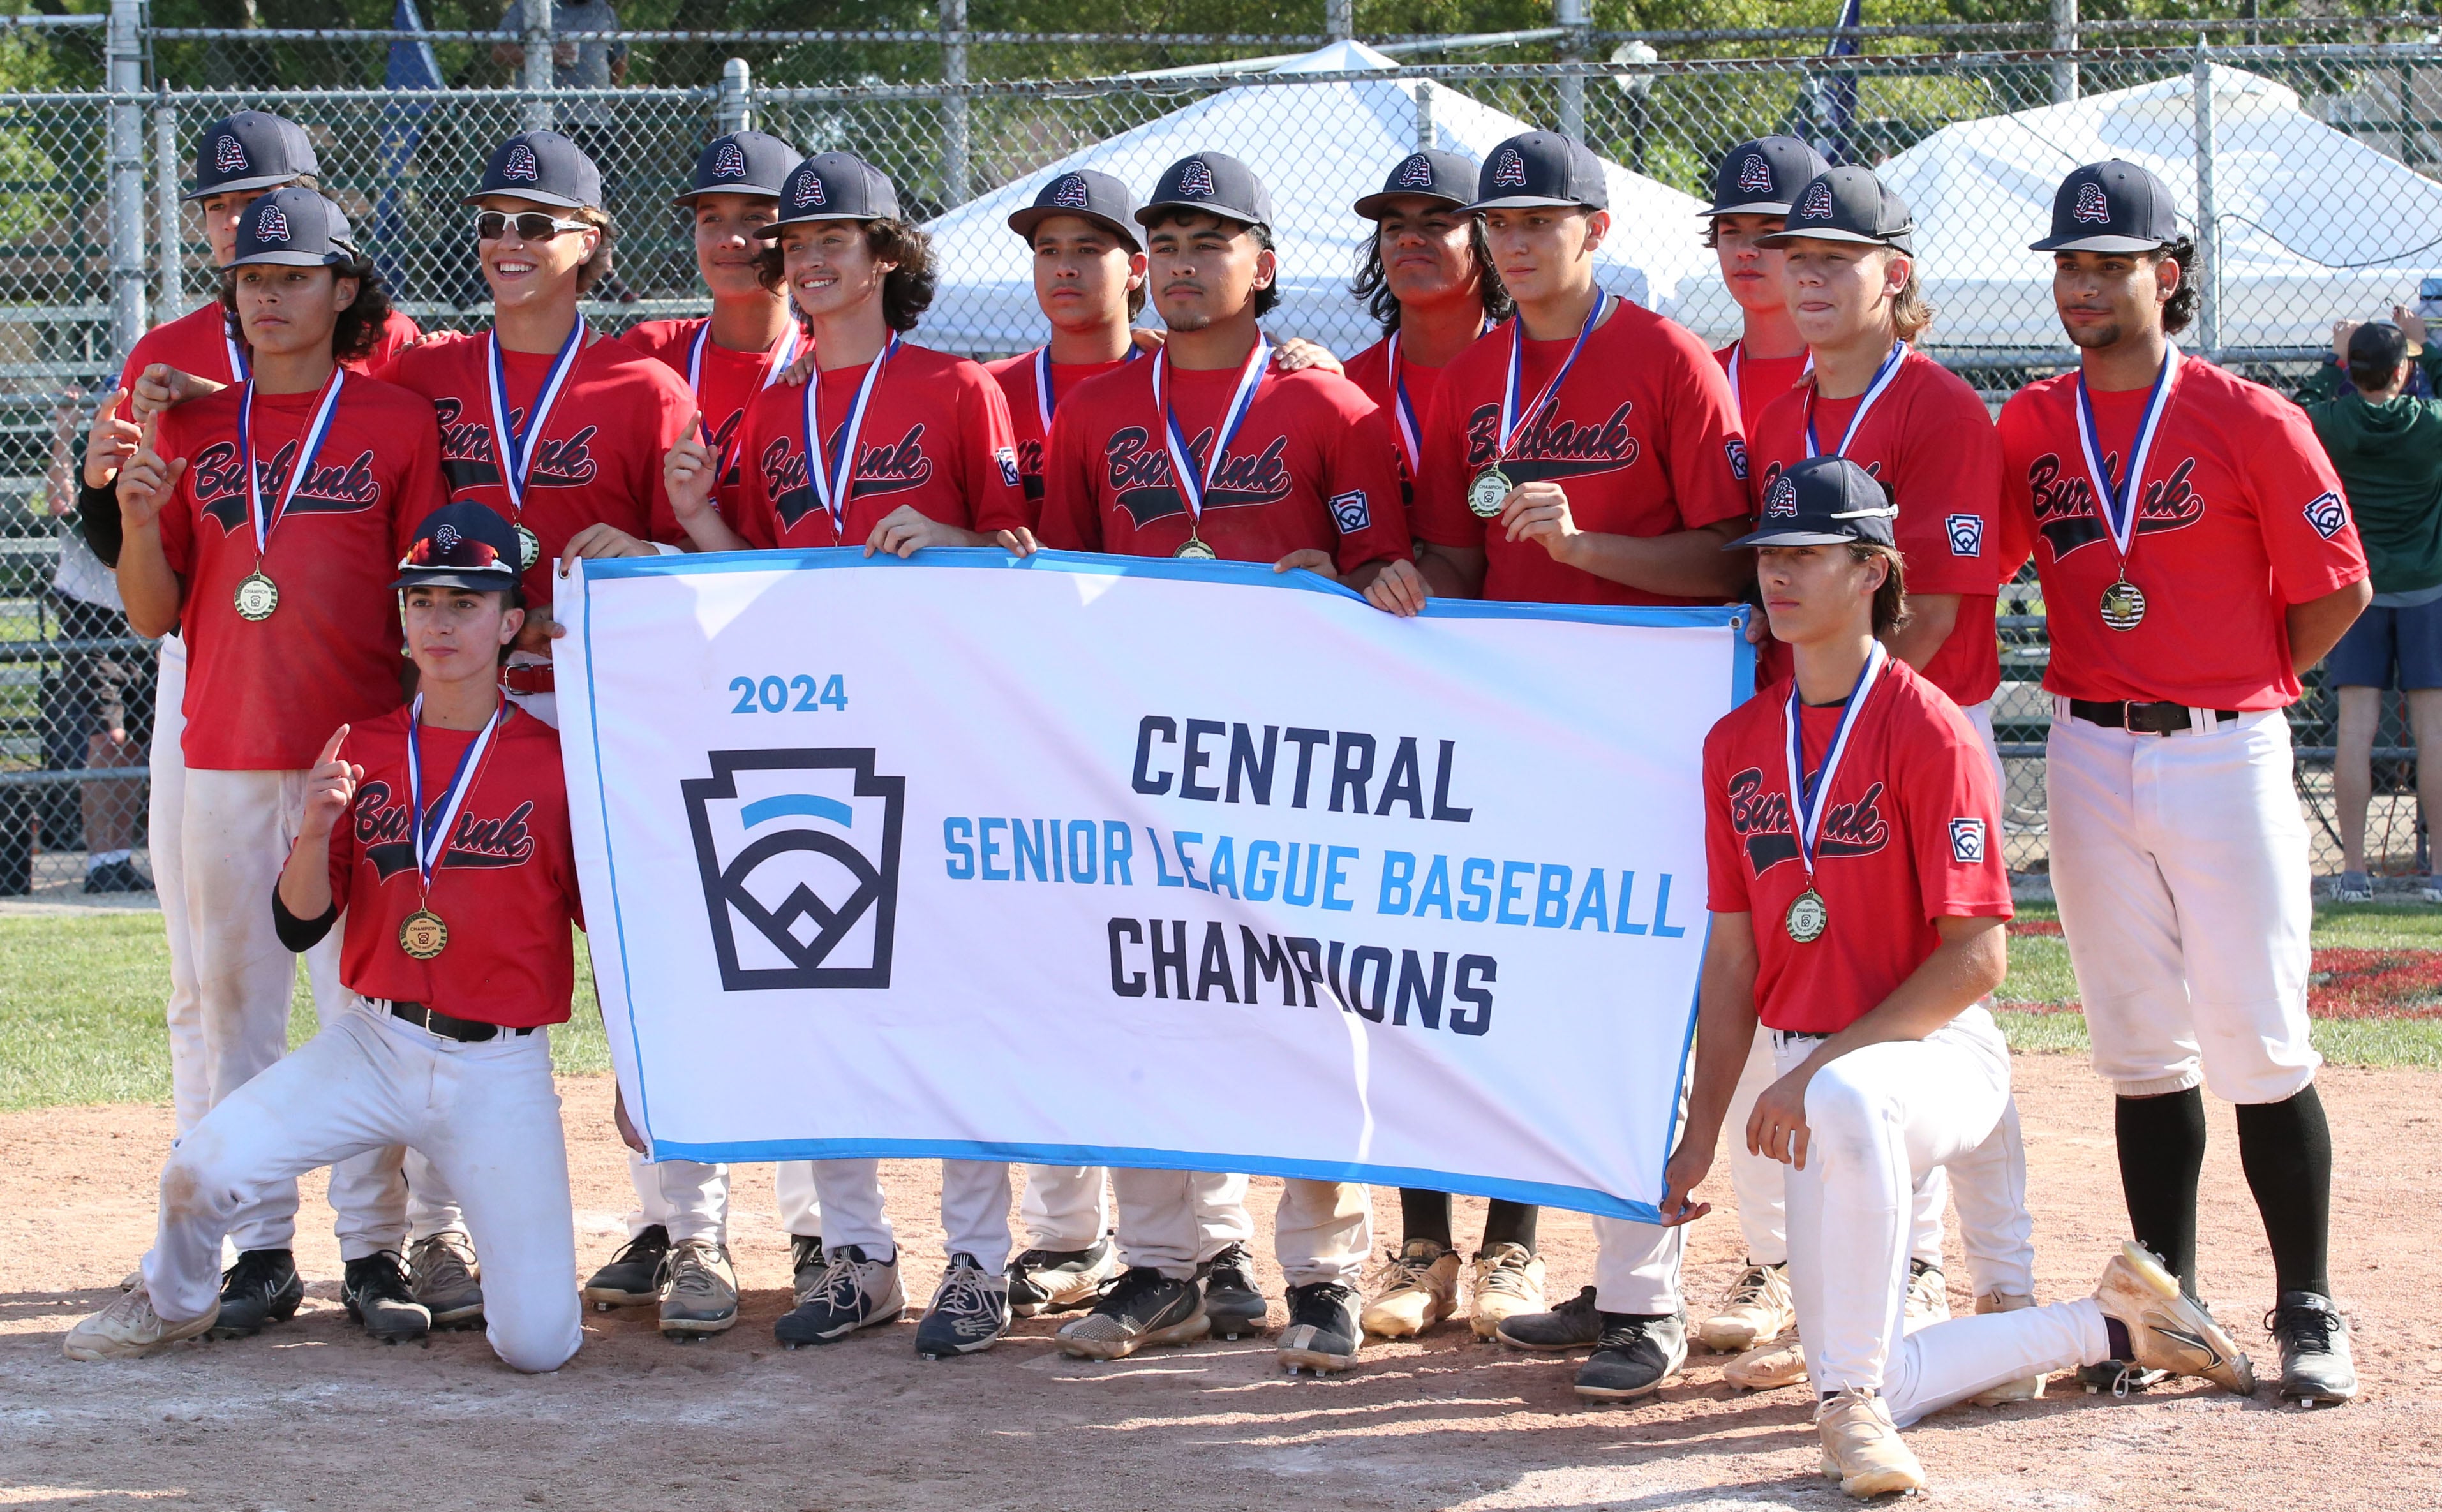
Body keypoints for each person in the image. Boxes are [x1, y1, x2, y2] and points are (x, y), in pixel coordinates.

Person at [1655, 454, 2258, 1499]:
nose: (1778, 576)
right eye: (1768, 556)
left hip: (1930, 1058)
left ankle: (1848, 1416)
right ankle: (2111, 1321)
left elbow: (1977, 955)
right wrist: (1700, 1133)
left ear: (1874, 571)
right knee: (1886, 1355)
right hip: (1815, 1083)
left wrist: (1817, 1070)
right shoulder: (1733, 744)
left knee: (1839, 1107)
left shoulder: (1927, 728)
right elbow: (1732, 957)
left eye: (1808, 555)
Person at [1997, 159, 2369, 1405]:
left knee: (2258, 1039)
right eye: (2068, 265)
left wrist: (2240, 675)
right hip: (2086, 748)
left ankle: (2306, 1305)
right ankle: (2163, 1312)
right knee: (2139, 1052)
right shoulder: (2029, 424)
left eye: (2109, 264)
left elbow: (2335, 589)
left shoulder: (2246, 416)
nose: (2083, 285)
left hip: (2222, 744)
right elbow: (1971, 559)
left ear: (2166, 275)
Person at [1034, 151, 1408, 1375]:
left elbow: (1390, 590)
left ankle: (1323, 1274)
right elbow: (1068, 592)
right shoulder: (1092, 412)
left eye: (1212, 242)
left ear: (1265, 266)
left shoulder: (1329, 408)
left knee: (1313, 1016)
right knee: (1145, 996)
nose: (1186, 266)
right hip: (1144, 759)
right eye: (1171, 245)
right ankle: (1162, 1265)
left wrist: (1334, 589)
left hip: (1295, 765)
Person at [66, 501, 588, 1372]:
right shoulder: (367, 746)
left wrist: (637, 1085)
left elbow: (605, 933)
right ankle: (175, 1298)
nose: (440, 621)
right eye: (422, 601)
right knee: (198, 1168)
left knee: (537, 1344)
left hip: (498, 1066)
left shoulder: (557, 761)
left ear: (509, 623)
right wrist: (312, 831)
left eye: (466, 602)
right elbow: (298, 919)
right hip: (374, 1040)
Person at [662, 149, 1034, 1360]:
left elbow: (1024, 554)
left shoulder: (957, 385)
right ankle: (858, 1255)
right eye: (796, 247)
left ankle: (980, 1261)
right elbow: (755, 581)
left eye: (837, 242)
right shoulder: (768, 407)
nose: (809, 261)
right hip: (813, 741)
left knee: (967, 1001)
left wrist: (961, 535)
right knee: (826, 988)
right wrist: (699, 518)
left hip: (944, 733)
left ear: (887, 258)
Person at [1394, 130, 1748, 1404]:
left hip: (1643, 729)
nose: (1517, 242)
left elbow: (1731, 555)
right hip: (1516, 734)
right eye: (1500, 226)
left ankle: (1647, 1305)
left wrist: (1592, 549)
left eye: (1543, 221)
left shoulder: (1664, 359)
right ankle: (1603, 1279)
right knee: (1543, 1003)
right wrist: (1394, 579)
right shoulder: (1470, 373)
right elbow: (1453, 557)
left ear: (1595, 232)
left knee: (1641, 1007)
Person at [73, 111, 421, 1275]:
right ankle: (258, 1249)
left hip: (351, 742)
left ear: (341, 287)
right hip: (220, 725)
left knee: (365, 1006)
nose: (263, 287)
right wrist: (124, 503)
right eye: (243, 268)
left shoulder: (395, 401)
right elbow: (151, 605)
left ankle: (375, 1245)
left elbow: (428, 588)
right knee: (229, 1002)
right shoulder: (182, 393)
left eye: (288, 270)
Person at [1736, 165, 2034, 1399]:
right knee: (1823, 986)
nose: (1803, 277)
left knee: (1929, 989)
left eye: (1833, 259)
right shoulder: (1770, 399)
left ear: (1892, 276)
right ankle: (1840, 1255)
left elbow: (1950, 596)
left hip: (1917, 716)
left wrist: (1853, 717)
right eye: (1787, 257)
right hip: (1807, 730)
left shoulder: (1940, 408)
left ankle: (1961, 1267)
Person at [597, 127, 829, 1338]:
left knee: (796, 939)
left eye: (759, 219)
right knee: (662, 958)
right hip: (667, 697)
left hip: (795, 700)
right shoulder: (647, 357)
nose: (733, 239)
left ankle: (805, 1218)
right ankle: (676, 1214)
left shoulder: (836, 359)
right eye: (711, 217)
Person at [1330, 147, 1545, 1344]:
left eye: (1439, 220)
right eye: (1393, 222)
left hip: (1517, 702)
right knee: (1403, 971)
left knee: (1504, 963)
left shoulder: (1526, 374)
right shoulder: (1344, 381)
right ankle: (1419, 1245)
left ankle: (1512, 1243)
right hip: (1389, 716)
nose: (1412, 239)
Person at [2295, 315, 2442, 901]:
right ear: (2403, 373)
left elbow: (2297, 411)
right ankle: (2437, 877)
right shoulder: (2429, 422)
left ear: (2352, 372)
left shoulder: (2332, 420)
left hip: (2356, 591)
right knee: (2432, 732)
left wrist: (2332, 361)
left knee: (2354, 730)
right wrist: (2428, 346)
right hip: (2427, 588)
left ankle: (2353, 872)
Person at [43, 389, 149, 894]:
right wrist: (66, 431)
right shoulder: (94, 461)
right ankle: (100, 863)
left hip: (144, 610)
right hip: (93, 615)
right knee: (108, 742)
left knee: (138, 747)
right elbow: (62, 500)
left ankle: (119, 856)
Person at [1703, 135, 1828, 426]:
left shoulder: (1855, 379)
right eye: (1731, 232)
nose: (1746, 250)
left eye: (1769, 232)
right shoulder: (1699, 377)